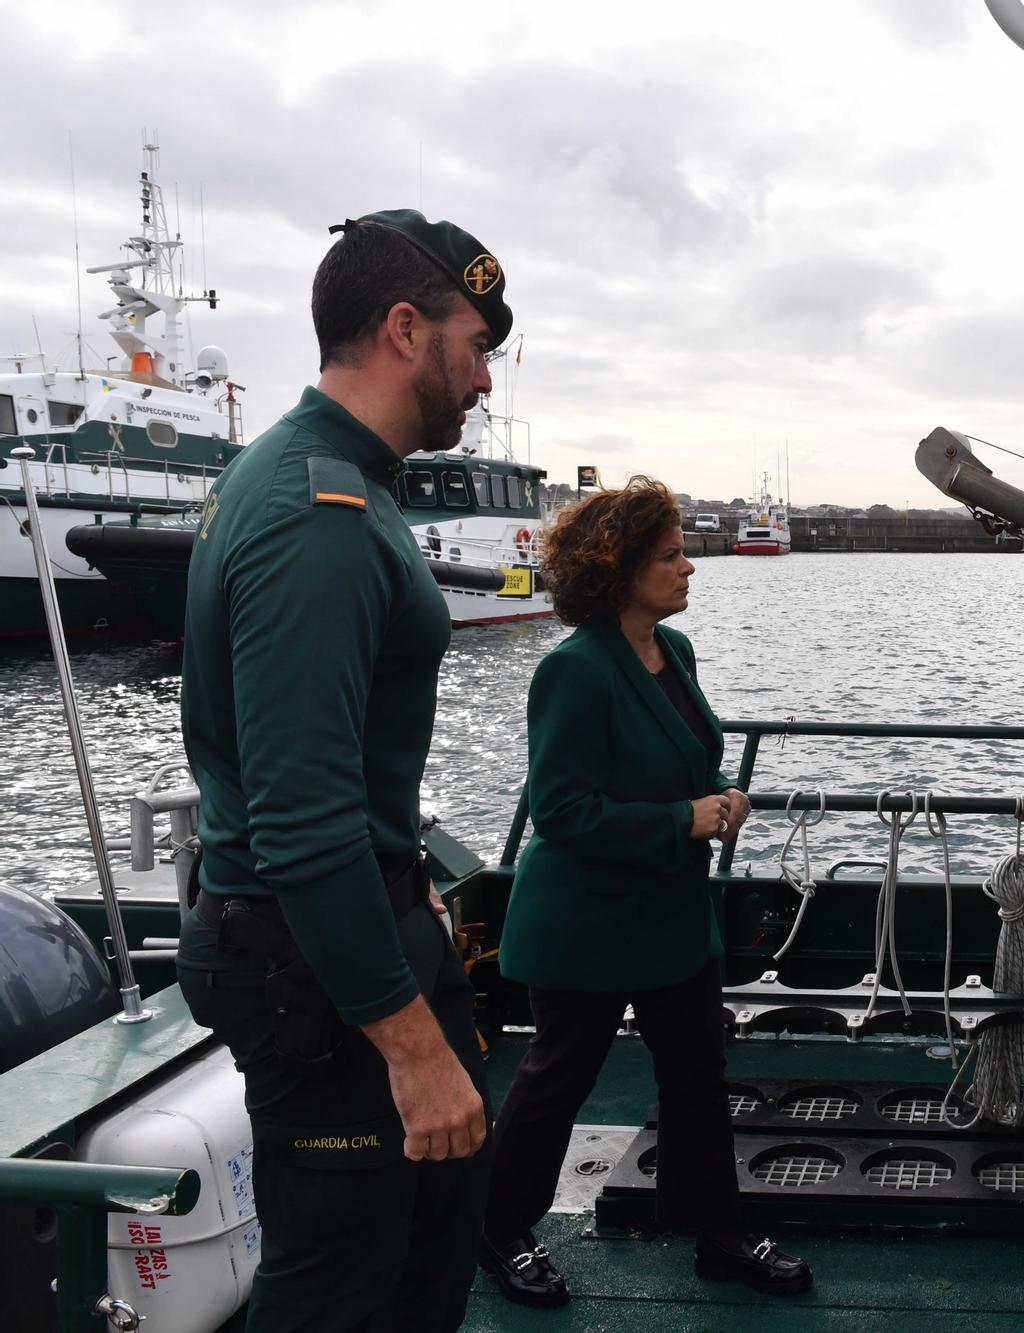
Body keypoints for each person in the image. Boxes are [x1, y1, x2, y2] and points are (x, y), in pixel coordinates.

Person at [175, 209, 511, 1330]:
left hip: (344, 939)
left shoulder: (328, 479)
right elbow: (303, 816)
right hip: (312, 966)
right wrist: (409, 1047)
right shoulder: (315, 512)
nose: (482, 381)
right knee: (338, 1291)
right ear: (405, 329)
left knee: (419, 1249)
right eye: (476, 347)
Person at [478, 478, 812, 1306]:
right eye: (669, 556)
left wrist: (723, 798)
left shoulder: (675, 654)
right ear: (617, 570)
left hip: (666, 913)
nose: (689, 567)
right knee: (559, 1076)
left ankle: (720, 1235)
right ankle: (496, 1228)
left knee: (697, 1071)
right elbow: (559, 809)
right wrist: (682, 819)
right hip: (585, 921)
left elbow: (689, 761)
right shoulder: (574, 671)